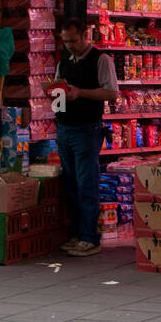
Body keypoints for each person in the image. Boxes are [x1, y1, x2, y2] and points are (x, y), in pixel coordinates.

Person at [50, 19, 119, 256]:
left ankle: (90, 237)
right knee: (71, 182)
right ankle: (77, 234)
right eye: (65, 41)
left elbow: (112, 92)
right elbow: (60, 89)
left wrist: (81, 93)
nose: (69, 45)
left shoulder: (101, 60)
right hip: (65, 127)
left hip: (87, 128)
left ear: (84, 35)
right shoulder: (64, 62)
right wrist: (56, 95)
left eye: (73, 40)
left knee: (86, 182)